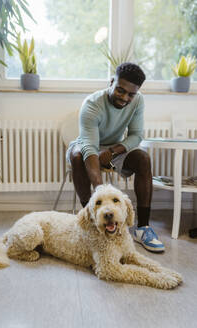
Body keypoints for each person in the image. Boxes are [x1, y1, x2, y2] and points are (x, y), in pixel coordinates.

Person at [66, 62, 165, 252]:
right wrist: (101, 193)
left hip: (114, 148)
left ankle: (143, 229)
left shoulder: (137, 100)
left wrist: (112, 152)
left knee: (143, 158)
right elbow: (89, 147)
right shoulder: (92, 104)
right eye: (120, 90)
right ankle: (93, 220)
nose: (125, 98)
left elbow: (136, 135)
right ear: (111, 82)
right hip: (86, 144)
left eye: (131, 94)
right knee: (77, 156)